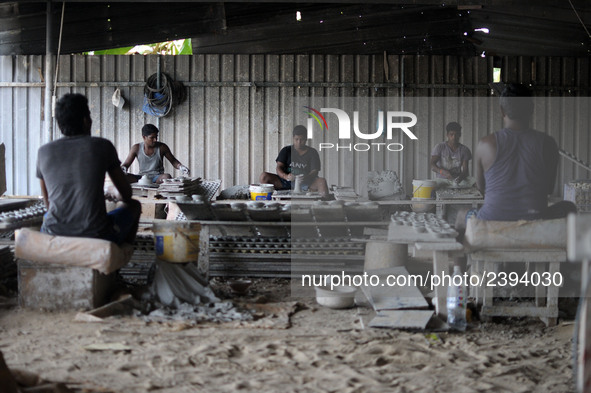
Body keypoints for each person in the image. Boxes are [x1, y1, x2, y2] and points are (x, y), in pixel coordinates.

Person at [457, 83, 576, 228]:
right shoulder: (548, 144)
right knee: (569, 207)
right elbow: (548, 189)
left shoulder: (485, 144)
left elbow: (481, 189)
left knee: (461, 214)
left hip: (491, 219)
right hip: (535, 217)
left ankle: (469, 250)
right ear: (531, 109)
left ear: (501, 111)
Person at [37, 93, 141, 245]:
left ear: (59, 123)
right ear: (86, 121)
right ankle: (116, 259)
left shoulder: (43, 152)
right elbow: (126, 194)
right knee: (134, 206)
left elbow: (48, 204)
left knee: (48, 217)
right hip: (95, 235)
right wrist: (112, 193)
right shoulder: (103, 146)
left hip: (52, 232)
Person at [259, 125, 329, 196]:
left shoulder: (312, 152)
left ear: (306, 139)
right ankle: (267, 203)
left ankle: (322, 204)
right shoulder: (286, 150)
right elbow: (279, 167)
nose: (299, 142)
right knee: (264, 176)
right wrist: (285, 176)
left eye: (302, 139)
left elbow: (314, 171)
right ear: (293, 138)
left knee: (322, 182)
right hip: (286, 181)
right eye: (296, 139)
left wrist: (306, 177)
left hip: (305, 182)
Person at [121, 124, 190, 184]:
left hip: (157, 178)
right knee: (122, 177)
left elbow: (173, 161)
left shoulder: (162, 147)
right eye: (152, 137)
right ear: (144, 137)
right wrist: (123, 168)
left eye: (156, 136)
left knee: (167, 177)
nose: (155, 140)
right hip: (142, 177)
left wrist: (180, 166)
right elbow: (126, 164)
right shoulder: (136, 148)